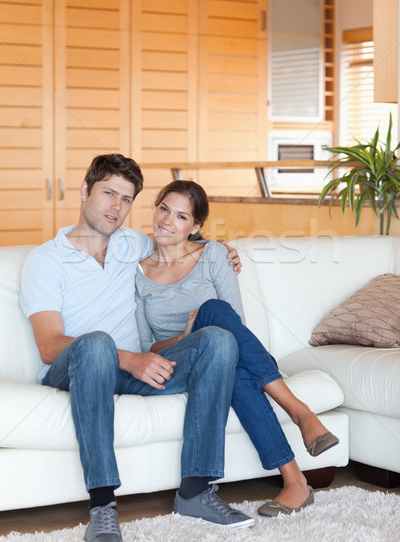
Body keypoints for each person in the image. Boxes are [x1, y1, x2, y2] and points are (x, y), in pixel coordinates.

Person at [19, 154, 255, 542]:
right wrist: (128, 359)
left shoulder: (135, 244)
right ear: (84, 191)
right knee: (97, 344)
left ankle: (196, 490)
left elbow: (182, 238)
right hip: (78, 368)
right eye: (108, 193)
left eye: (126, 199)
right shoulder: (46, 259)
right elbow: (48, 346)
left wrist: (221, 251)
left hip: (138, 372)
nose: (116, 206)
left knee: (218, 339)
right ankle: (103, 507)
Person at [135, 179, 340, 518]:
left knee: (219, 327)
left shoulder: (214, 254)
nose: (167, 221)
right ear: (155, 209)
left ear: (196, 226)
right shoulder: (139, 273)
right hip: (176, 362)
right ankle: (299, 412)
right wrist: (187, 334)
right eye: (164, 209)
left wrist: (204, 324)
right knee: (212, 315)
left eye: (182, 217)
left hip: (221, 353)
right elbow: (148, 347)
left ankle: (295, 483)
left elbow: (235, 324)